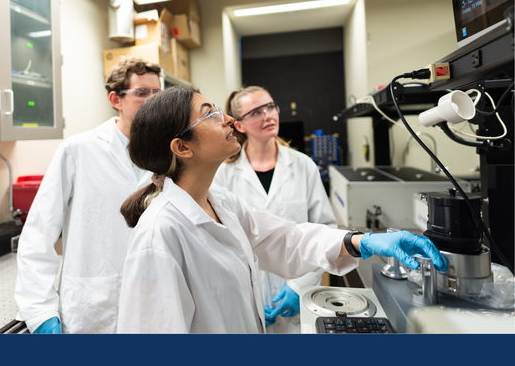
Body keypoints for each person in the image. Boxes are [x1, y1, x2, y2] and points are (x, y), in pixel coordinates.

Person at [116, 86, 447, 333]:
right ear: (182, 147)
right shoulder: (159, 235)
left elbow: (285, 239)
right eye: (211, 114)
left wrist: (360, 242)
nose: (228, 119)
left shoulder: (220, 201)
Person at [14, 56, 162, 334]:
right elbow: (38, 233)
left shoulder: (171, 153)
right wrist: (39, 309)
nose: (153, 100)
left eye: (157, 93)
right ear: (115, 100)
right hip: (93, 307)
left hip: (156, 300)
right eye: (142, 93)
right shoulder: (78, 150)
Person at [213, 86, 336, 333]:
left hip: (298, 297)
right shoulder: (222, 174)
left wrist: (299, 286)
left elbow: (326, 230)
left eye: (270, 107)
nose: (268, 115)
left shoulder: (303, 166)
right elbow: (218, 242)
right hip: (244, 296)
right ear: (239, 125)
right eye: (256, 112)